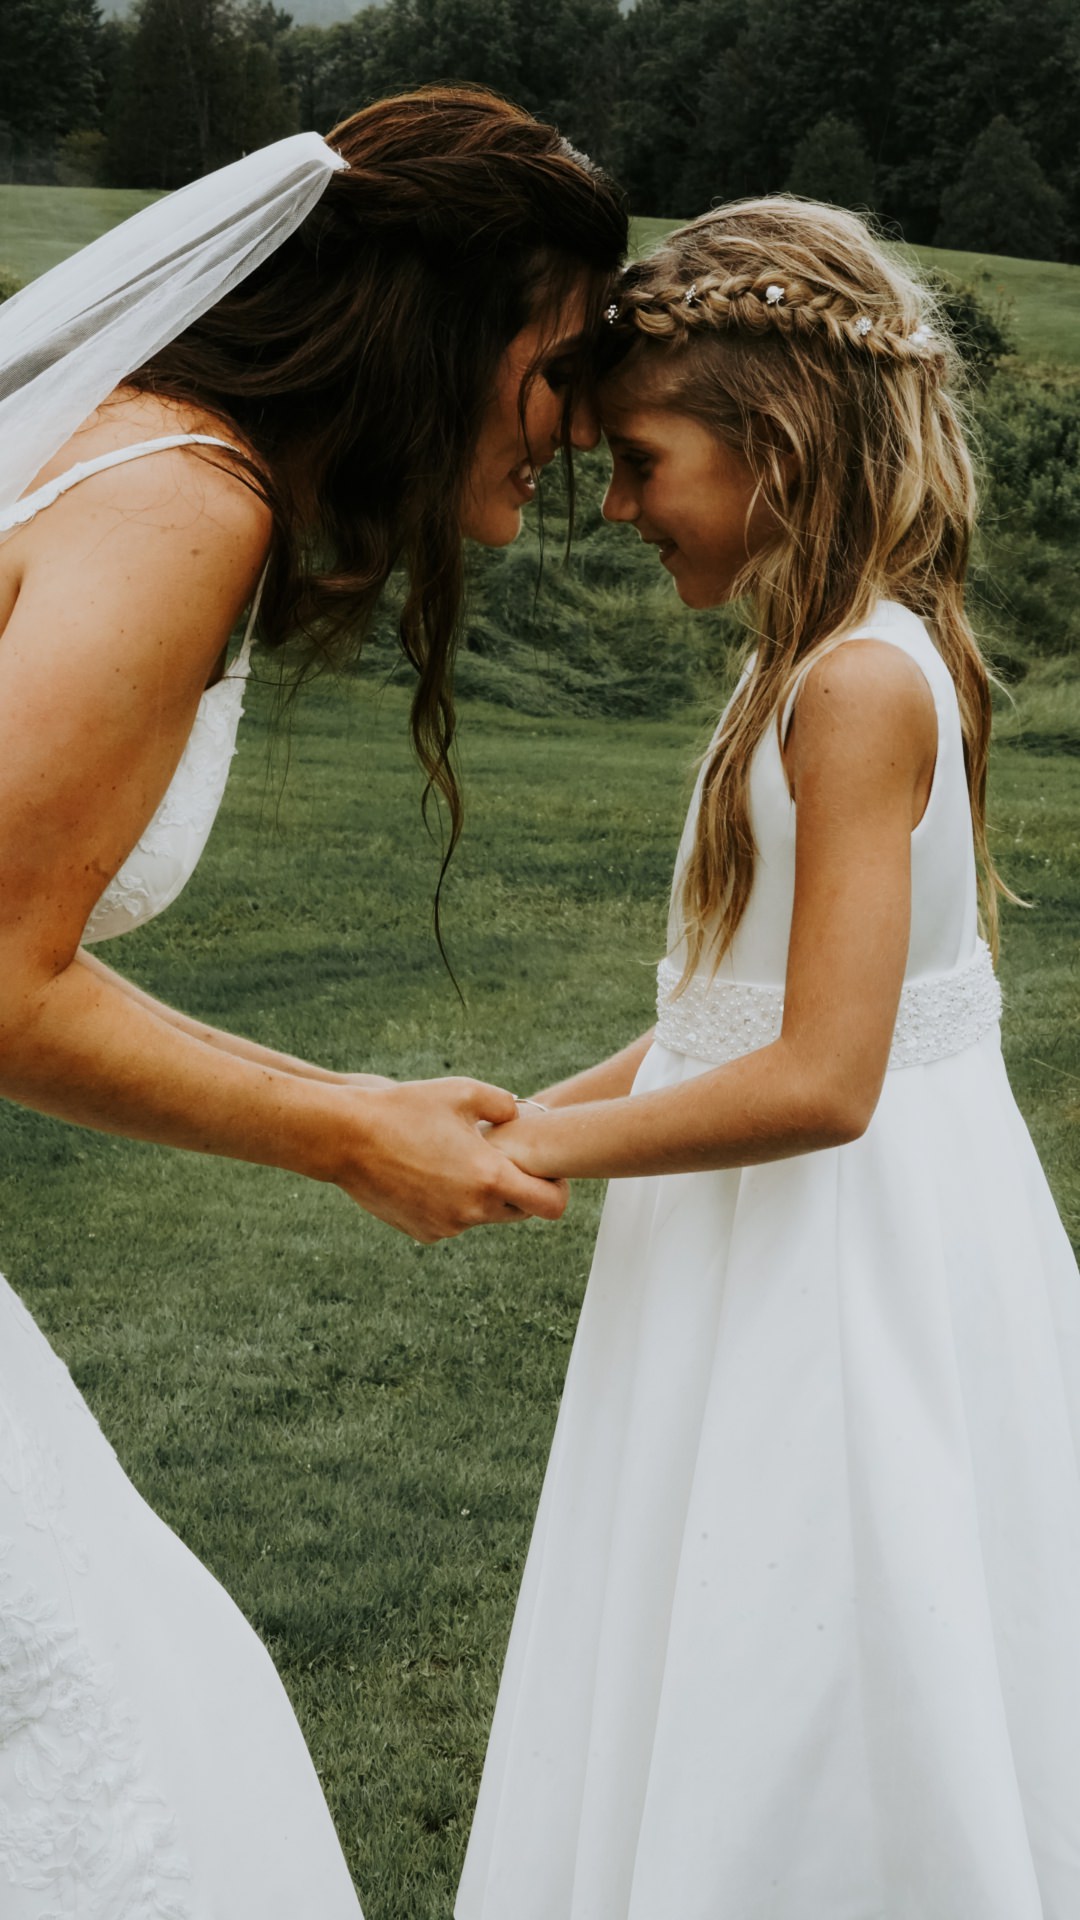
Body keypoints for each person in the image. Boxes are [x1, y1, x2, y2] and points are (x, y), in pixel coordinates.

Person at [0, 89, 626, 1916]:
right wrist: (343, 1138)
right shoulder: (183, 504)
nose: (584, 425)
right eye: (564, 362)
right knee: (114, 1727)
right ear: (445, 327)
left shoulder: (147, 461)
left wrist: (350, 1100)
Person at [457, 197, 1080, 1919]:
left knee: (818, 1643)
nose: (614, 503)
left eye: (642, 460)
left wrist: (542, 1157)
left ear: (779, 445)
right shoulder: (807, 664)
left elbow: (822, 1080)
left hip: (835, 1258)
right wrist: (512, 1115)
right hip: (769, 1226)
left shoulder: (857, 686)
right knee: (742, 1619)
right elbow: (721, 1018)